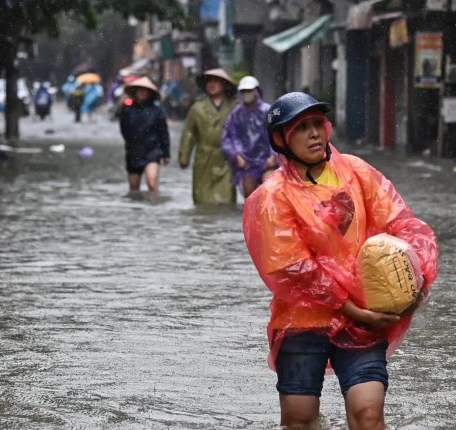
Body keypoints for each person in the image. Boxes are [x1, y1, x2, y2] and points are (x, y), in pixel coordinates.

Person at [242, 92, 438, 429]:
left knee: (368, 416)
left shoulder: (357, 172)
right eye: (301, 127)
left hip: (364, 320)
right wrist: (353, 309)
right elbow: (296, 272)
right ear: (281, 139)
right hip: (302, 322)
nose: (314, 133)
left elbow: (401, 223)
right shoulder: (272, 198)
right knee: (299, 420)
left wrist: (415, 281)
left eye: (318, 123)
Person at [178, 68, 237, 205]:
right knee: (202, 199)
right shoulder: (197, 108)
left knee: (226, 201)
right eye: (209, 81)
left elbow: (241, 134)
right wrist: (184, 157)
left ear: (224, 84)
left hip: (226, 159)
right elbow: (189, 133)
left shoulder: (234, 108)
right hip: (203, 159)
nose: (212, 84)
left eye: (216, 81)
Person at [220, 75, 278, 198]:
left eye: (249, 91)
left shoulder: (267, 111)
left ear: (256, 91)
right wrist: (236, 156)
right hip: (247, 164)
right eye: (244, 91)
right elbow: (227, 139)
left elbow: (277, 134)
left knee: (270, 191)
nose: (247, 94)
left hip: (268, 162)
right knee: (250, 197)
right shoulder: (236, 114)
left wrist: (274, 155)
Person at [118, 77, 170, 193]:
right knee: (134, 188)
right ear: (135, 92)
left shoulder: (157, 111)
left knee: (152, 183)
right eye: (139, 90)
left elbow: (163, 133)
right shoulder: (127, 110)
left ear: (149, 92)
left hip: (152, 150)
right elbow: (124, 128)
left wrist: (166, 153)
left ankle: (154, 206)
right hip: (133, 151)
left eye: (145, 90)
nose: (142, 92)